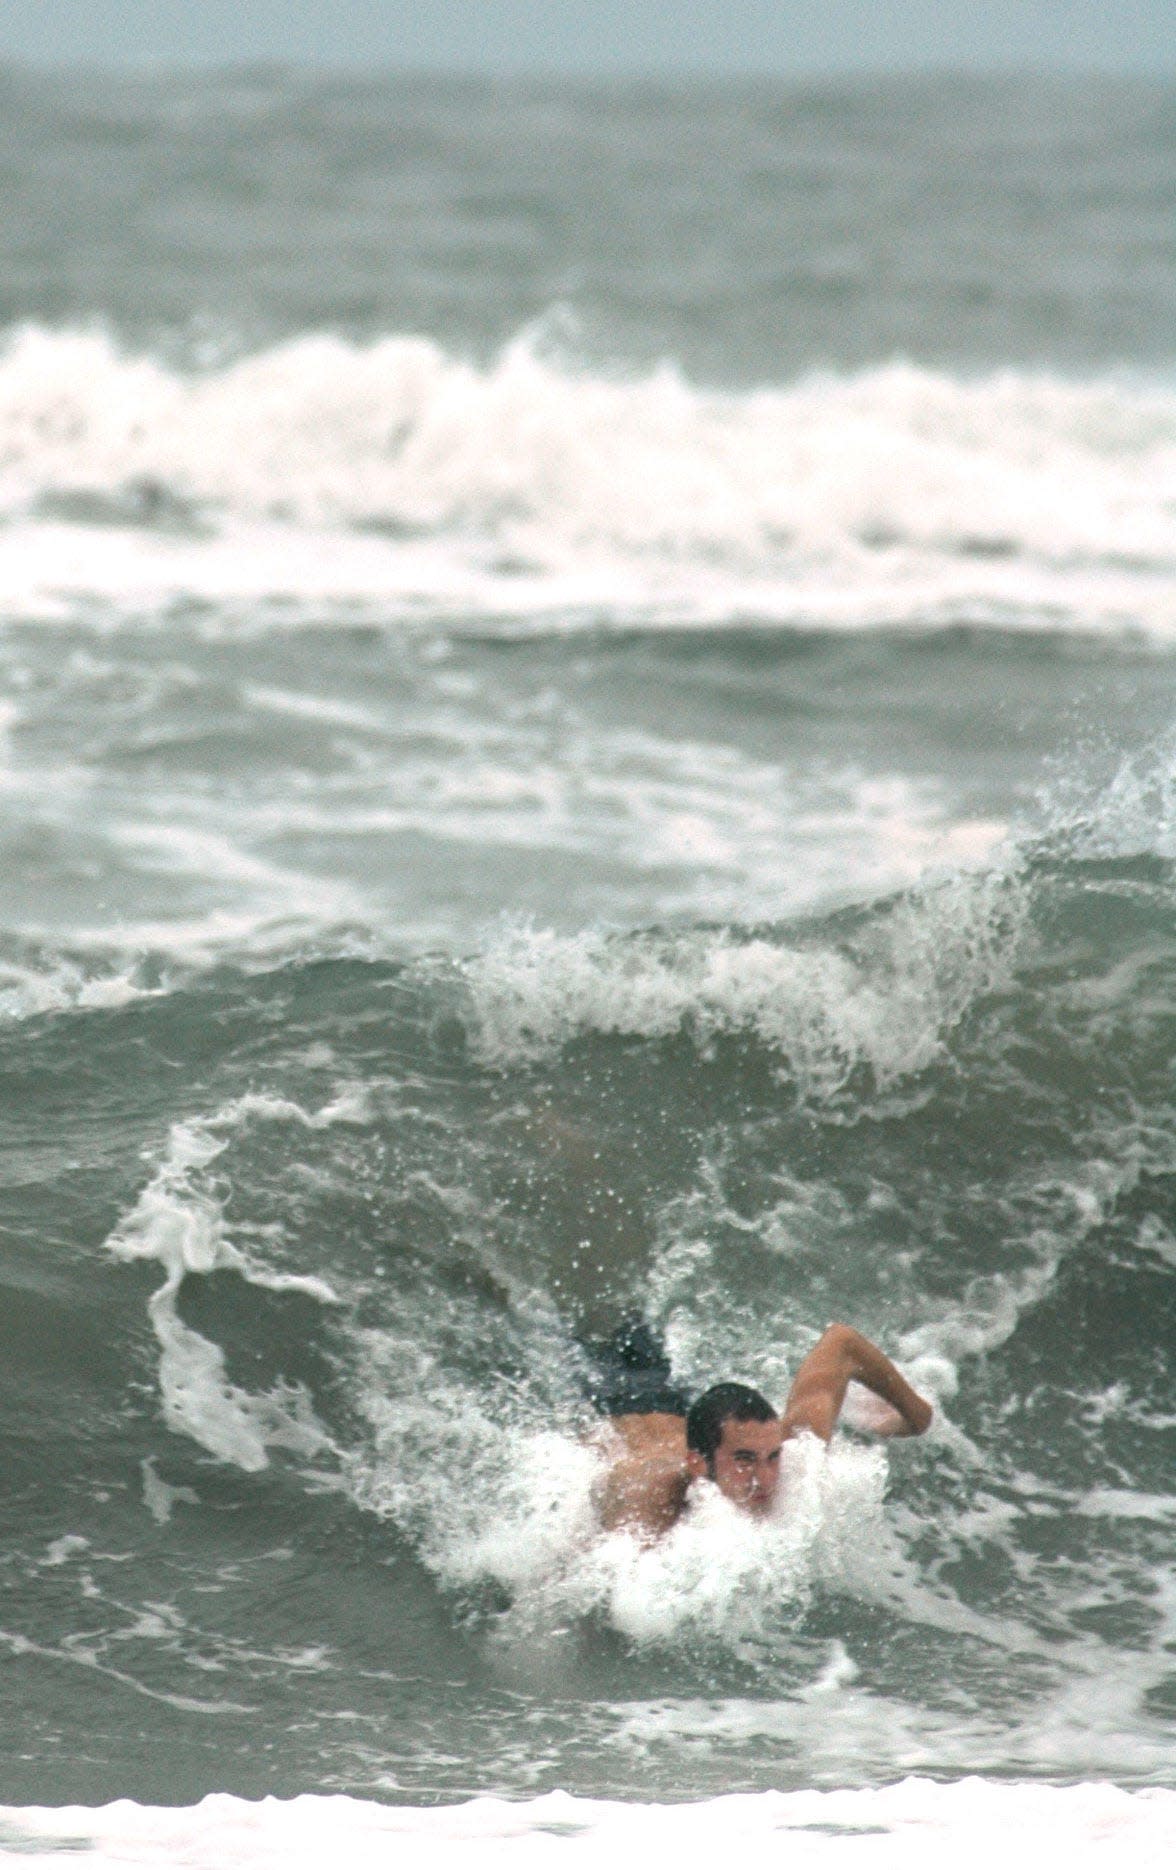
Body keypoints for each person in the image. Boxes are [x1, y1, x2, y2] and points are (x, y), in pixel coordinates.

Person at [589, 1321, 933, 1540]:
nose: (765, 1478)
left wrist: (917, 1419)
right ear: (697, 1465)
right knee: (595, 1331)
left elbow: (841, 1344)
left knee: (636, 1327)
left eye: (772, 1457)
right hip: (609, 1399)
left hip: (681, 1402)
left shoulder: (798, 1453)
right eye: (744, 1460)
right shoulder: (654, 1497)